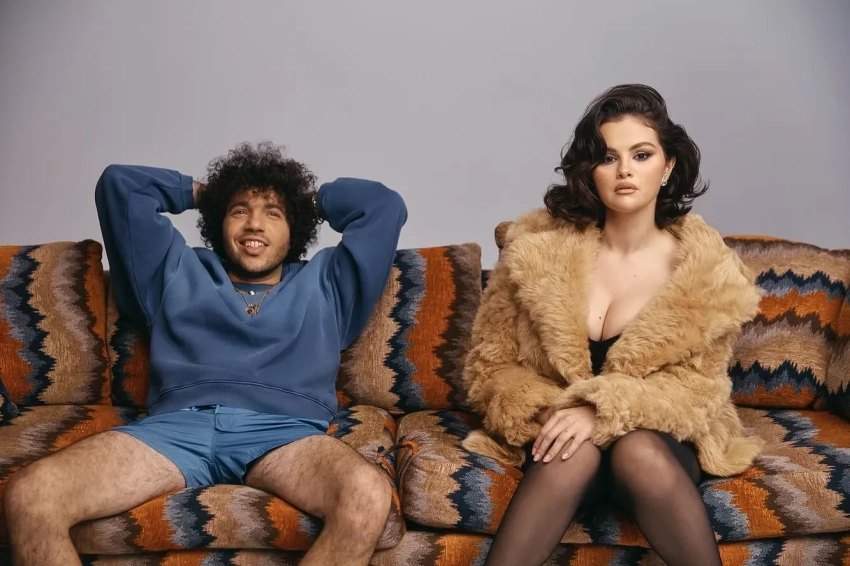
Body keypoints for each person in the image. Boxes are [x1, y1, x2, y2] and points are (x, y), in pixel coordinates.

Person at [4, 142, 408, 566]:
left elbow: (382, 207)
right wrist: (208, 193)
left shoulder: (329, 283)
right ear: (219, 220)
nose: (255, 224)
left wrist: (303, 199)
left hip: (285, 435)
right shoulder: (174, 268)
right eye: (239, 210)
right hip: (174, 431)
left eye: (273, 213)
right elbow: (121, 185)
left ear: (296, 228)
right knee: (31, 496)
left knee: (367, 494)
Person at [461, 84, 764, 566]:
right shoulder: (534, 250)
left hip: (658, 440)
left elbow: (696, 390)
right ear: (591, 171)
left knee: (636, 450)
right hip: (561, 438)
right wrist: (554, 412)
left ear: (667, 166)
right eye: (608, 157)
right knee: (573, 451)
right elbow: (490, 366)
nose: (625, 170)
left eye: (641, 155)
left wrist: (599, 410)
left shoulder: (709, 274)